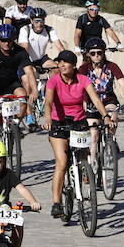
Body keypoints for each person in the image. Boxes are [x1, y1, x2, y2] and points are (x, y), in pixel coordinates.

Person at [43, 50, 111, 218]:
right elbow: (48, 102)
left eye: (66, 62)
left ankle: (82, 176)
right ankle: (57, 203)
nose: (62, 65)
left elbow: (95, 99)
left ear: (74, 65)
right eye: (60, 62)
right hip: (58, 124)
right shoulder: (53, 81)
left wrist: (106, 116)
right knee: (62, 162)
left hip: (79, 122)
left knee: (82, 158)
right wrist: (47, 119)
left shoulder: (83, 79)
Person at [82, 37, 124, 122]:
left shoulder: (112, 66)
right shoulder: (84, 68)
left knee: (111, 118)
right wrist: (84, 101)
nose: (96, 55)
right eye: (93, 53)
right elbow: (79, 87)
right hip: (91, 102)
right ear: (88, 54)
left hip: (109, 100)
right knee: (93, 129)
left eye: (99, 53)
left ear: (103, 53)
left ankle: (110, 135)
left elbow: (123, 84)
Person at [17, 8, 62, 73]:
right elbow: (25, 49)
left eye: (41, 21)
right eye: (36, 21)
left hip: (42, 59)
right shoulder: (25, 30)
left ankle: (52, 83)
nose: (39, 24)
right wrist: (29, 65)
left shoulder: (49, 29)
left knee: (57, 68)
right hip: (28, 60)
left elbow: (60, 46)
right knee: (32, 73)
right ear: (31, 21)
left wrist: (65, 60)